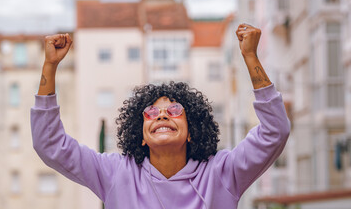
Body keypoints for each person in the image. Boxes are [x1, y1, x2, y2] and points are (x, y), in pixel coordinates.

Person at [31, 24, 290, 209]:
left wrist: (250, 57)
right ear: (141, 135)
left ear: (192, 130)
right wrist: (50, 66)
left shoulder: (221, 173)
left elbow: (274, 132)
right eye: (152, 112)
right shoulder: (116, 174)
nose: (162, 115)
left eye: (175, 110)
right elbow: (50, 144)